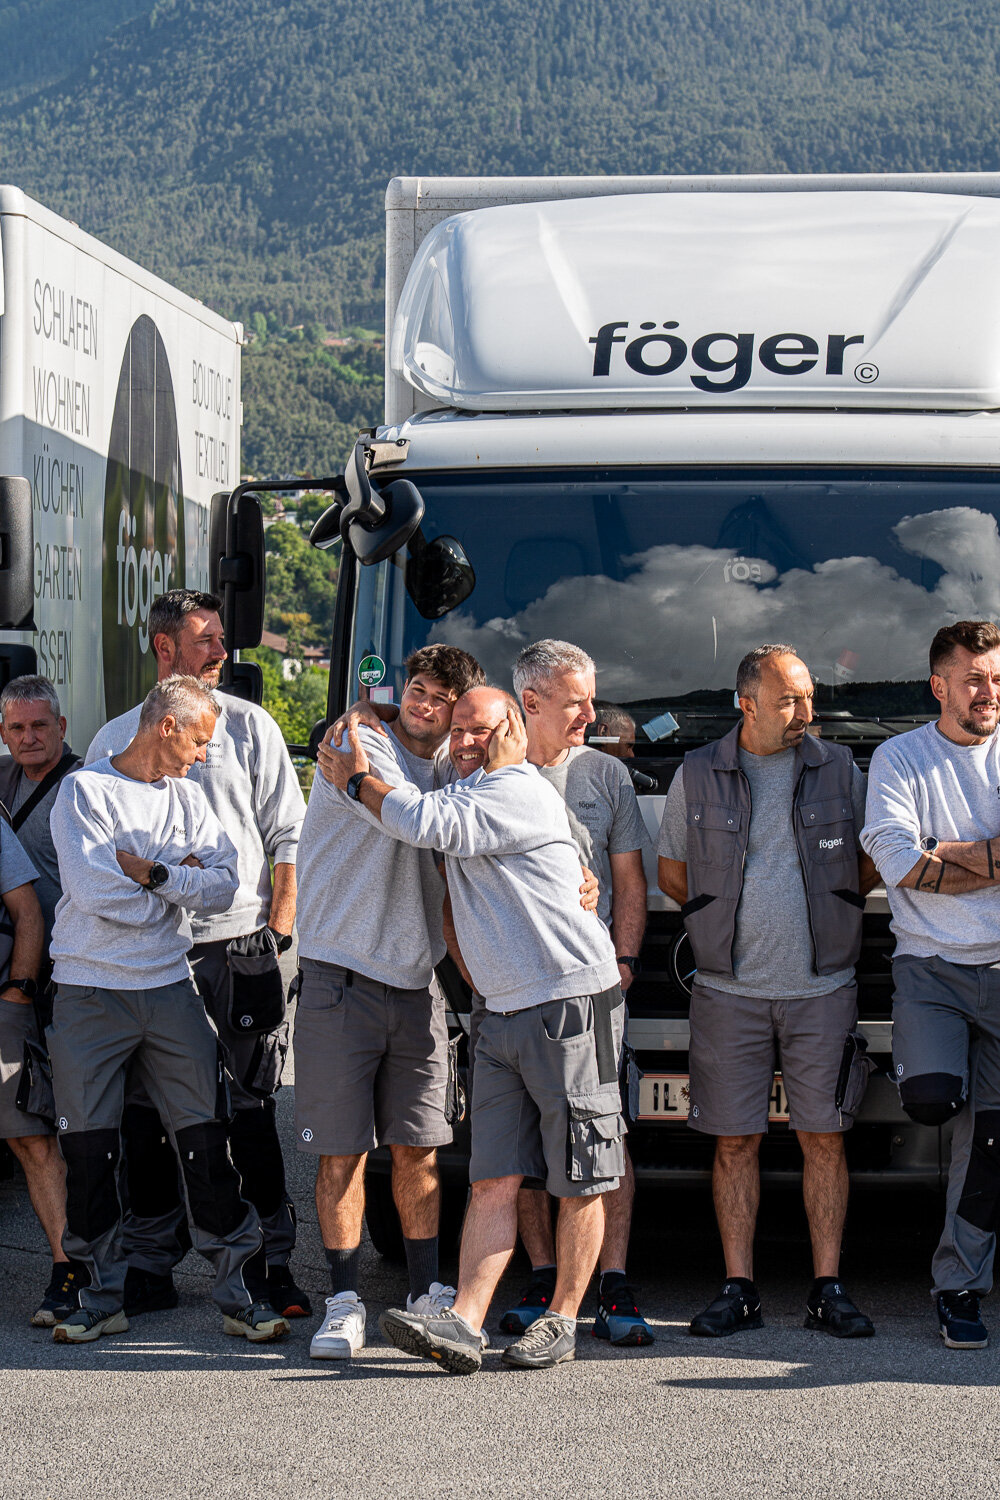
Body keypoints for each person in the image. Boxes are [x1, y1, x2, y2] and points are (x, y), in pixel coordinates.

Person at [323, 687, 627, 1373]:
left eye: (479, 729)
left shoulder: (512, 790)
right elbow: (417, 774)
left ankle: (563, 1320)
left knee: (581, 1175)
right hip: (502, 1011)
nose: (463, 741)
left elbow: (417, 818)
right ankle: (463, 1323)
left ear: (514, 728)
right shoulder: (468, 786)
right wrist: (369, 715)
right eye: (457, 728)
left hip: (568, 1001)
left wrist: (355, 778)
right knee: (493, 1177)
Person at [86, 589, 308, 1321]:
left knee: (247, 1108)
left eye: (220, 638)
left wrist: (278, 929)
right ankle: (152, 1260)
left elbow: (289, 832)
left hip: (239, 947)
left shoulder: (249, 726)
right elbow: (101, 855)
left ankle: (271, 1260)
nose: (220, 652)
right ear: (164, 647)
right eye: (205, 639)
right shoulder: (113, 738)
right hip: (153, 955)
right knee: (146, 1116)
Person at [46, 675, 288, 1344]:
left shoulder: (187, 797)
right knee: (90, 1155)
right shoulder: (85, 791)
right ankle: (100, 1299)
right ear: (166, 727)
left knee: (209, 1145)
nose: (203, 755)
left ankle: (242, 1295)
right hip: (89, 990)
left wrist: (151, 873)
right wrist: (179, 881)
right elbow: (94, 893)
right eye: (199, 741)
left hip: (170, 987)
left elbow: (225, 885)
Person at [658, 644, 878, 1339]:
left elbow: (871, 860)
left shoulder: (841, 769)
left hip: (823, 988)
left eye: (808, 696)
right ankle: (739, 1290)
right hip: (728, 992)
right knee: (733, 1143)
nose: (805, 711)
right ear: (746, 704)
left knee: (825, 1140)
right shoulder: (697, 773)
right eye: (789, 700)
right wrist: (719, 922)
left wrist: (832, 912)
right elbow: (672, 873)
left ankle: (827, 1289)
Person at [295, 645, 484, 1361]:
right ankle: (344, 1303)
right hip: (340, 973)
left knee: (420, 1150)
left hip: (415, 984)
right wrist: (359, 713)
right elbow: (406, 818)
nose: (423, 704)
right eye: (417, 688)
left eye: (441, 698)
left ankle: (425, 1294)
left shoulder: (452, 768)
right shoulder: (359, 742)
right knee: (342, 1154)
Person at [498, 641, 652, 1346]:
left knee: (603, 1135)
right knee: (527, 1140)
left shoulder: (605, 775)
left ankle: (612, 1281)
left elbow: (629, 879)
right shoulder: (487, 773)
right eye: (577, 703)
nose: (593, 715)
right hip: (511, 989)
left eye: (592, 699)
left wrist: (624, 962)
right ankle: (543, 1273)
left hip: (593, 992)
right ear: (530, 702)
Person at [862, 619, 1000, 1350]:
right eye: (974, 679)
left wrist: (942, 850)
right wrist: (991, 857)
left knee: (988, 1142)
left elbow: (921, 860)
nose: (989, 692)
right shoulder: (901, 757)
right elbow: (896, 863)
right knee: (931, 1101)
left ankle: (959, 1287)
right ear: (939, 685)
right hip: (929, 968)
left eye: (998, 679)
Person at [0, 815, 70, 1325]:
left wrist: (18, 993)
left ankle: (69, 1270)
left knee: (31, 1139)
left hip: (2, 1005)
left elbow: (27, 911)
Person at [0, 675, 80, 951]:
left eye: (39, 725)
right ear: (3, 734)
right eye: (17, 728)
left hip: (66, 959)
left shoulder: (86, 786)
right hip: (13, 959)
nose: (28, 738)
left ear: (61, 727)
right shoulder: (3, 775)